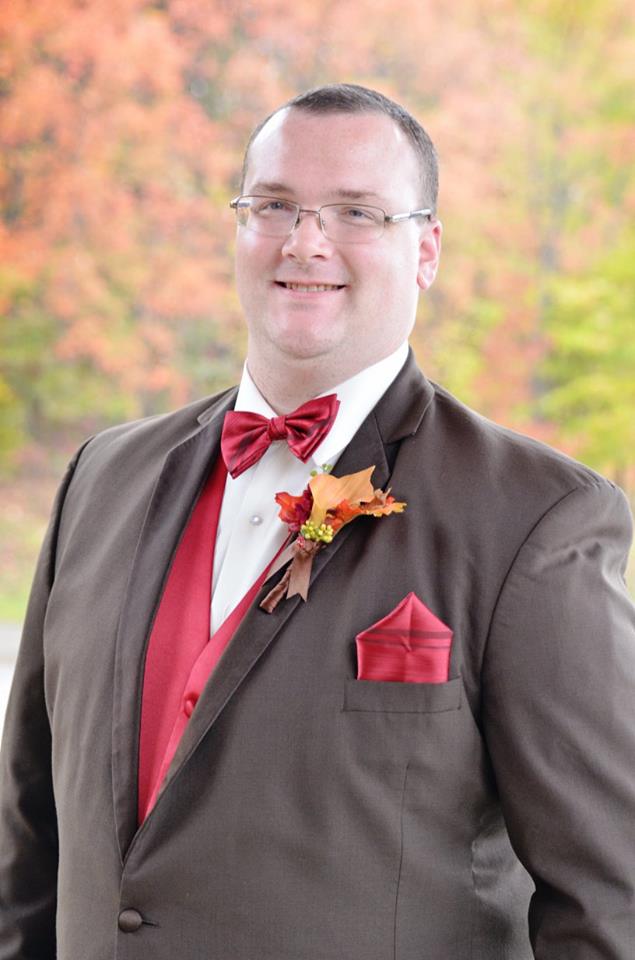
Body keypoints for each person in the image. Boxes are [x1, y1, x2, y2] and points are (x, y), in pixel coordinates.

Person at [1, 83, 634, 960]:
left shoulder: (537, 518)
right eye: (275, 205)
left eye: (357, 212)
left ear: (426, 250)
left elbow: (610, 903)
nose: (305, 241)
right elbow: (27, 843)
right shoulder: (99, 479)